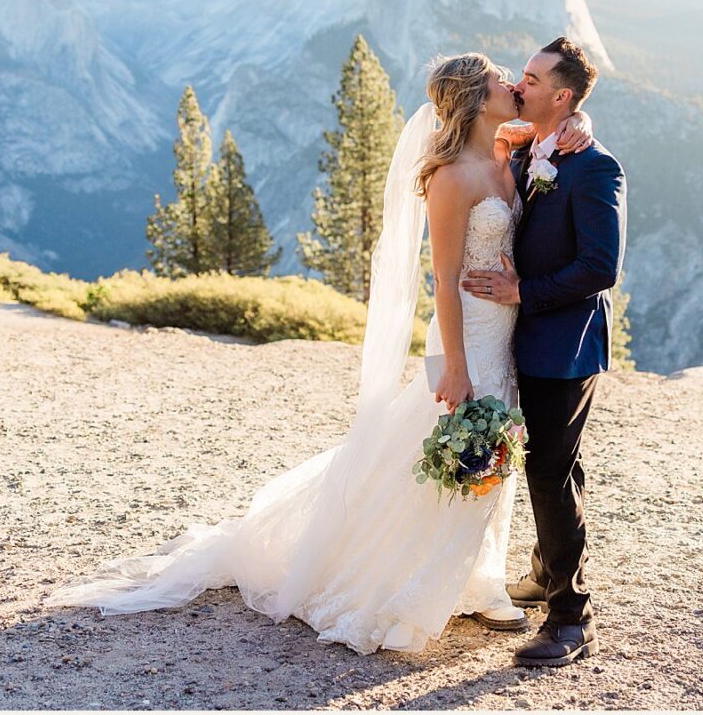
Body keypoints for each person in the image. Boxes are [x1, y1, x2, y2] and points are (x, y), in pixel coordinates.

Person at [43, 51, 593, 656]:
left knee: (491, 454)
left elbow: (552, 147)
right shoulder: (450, 178)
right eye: (498, 80)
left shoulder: (506, 155)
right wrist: (456, 365)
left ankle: (476, 575)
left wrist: (576, 128)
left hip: (505, 334)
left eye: (516, 79)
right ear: (471, 98)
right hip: (464, 339)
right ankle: (406, 583)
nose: (513, 84)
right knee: (452, 446)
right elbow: (441, 281)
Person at [462, 36, 626, 668]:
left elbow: (600, 267)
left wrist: (523, 290)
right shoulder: (534, 145)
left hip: (565, 342)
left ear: (562, 94)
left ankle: (569, 618)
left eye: (531, 78)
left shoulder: (593, 166)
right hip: (522, 334)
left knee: (549, 470)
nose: (518, 83)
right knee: (557, 462)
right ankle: (544, 571)